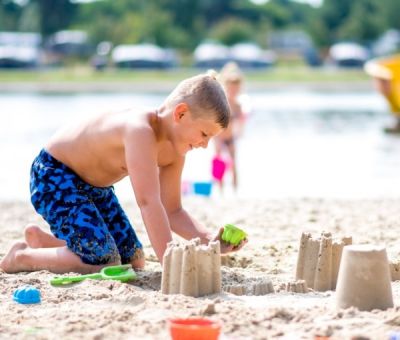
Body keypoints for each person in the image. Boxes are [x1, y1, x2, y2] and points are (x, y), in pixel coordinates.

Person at [0, 71, 247, 275]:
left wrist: (209, 240)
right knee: (103, 260)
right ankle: (21, 256)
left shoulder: (175, 153)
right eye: (204, 134)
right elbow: (148, 202)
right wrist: (171, 266)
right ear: (180, 113)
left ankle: (46, 243)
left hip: (95, 190)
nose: (205, 145)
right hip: (56, 176)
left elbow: (172, 210)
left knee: (134, 259)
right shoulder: (140, 130)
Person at [213, 62, 247, 191]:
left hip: (231, 137)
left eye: (236, 89)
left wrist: (241, 119)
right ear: (226, 87)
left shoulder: (238, 105)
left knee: (233, 162)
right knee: (219, 162)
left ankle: (235, 190)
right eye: (231, 88)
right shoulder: (223, 102)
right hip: (219, 137)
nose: (234, 92)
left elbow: (241, 122)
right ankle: (219, 189)